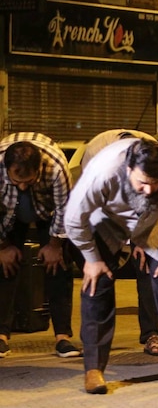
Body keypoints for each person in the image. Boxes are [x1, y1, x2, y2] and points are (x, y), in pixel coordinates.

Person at [65, 138, 158, 393]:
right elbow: (74, 220)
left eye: (155, 183)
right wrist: (92, 259)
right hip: (106, 218)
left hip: (155, 217)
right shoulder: (103, 171)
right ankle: (94, 368)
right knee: (98, 283)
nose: (149, 189)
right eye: (142, 182)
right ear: (129, 170)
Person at [81, 129, 158, 357]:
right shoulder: (96, 157)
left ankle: (151, 334)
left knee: (148, 266)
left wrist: (142, 241)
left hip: (148, 210)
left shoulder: (155, 156)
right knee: (101, 270)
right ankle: (95, 340)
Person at [0, 133, 78, 359]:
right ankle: (1, 336)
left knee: (58, 266)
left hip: (48, 211)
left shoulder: (56, 167)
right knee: (5, 268)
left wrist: (54, 245)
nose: (23, 186)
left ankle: (63, 338)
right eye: (17, 180)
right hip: (7, 213)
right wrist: (4, 246)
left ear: (39, 169)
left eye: (29, 180)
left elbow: (65, 209)